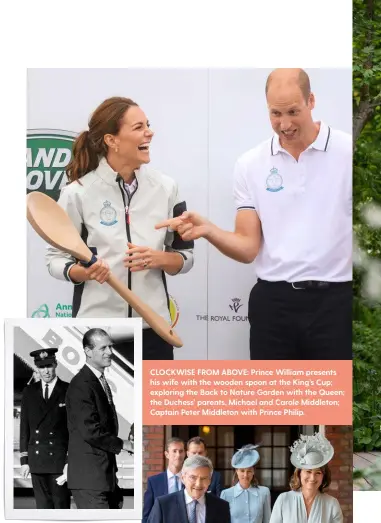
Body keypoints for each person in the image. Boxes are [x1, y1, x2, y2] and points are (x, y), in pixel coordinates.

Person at [156, 68, 352, 360]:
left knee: (329, 403)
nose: (285, 124)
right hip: (274, 304)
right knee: (273, 404)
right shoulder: (250, 164)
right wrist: (208, 229)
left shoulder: (348, 151)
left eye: (293, 111)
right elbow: (248, 248)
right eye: (275, 114)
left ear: (311, 101)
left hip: (337, 302)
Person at [45, 96, 194, 360]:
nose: (150, 132)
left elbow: (186, 257)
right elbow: (55, 260)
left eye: (147, 125)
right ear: (111, 140)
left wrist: (159, 258)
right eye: (138, 127)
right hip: (98, 333)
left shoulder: (167, 188)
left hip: (154, 329)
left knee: (155, 403)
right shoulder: (76, 193)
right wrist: (84, 272)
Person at [65, 328, 133, 509]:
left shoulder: (99, 381)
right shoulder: (81, 385)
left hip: (104, 478)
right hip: (90, 481)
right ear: (88, 351)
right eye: (103, 348)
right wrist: (124, 444)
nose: (110, 352)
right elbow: (90, 431)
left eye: (110, 347)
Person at [19, 348, 70, 509]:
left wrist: (70, 461)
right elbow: (24, 427)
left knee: (61, 507)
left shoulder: (68, 390)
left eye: (49, 366)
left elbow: (73, 429)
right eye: (41, 367)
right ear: (36, 369)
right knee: (43, 508)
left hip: (59, 462)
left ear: (56, 364)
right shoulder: (29, 392)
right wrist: (24, 461)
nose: (46, 371)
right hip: (37, 461)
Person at [269, 433, 343, 523]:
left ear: (324, 476)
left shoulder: (332, 504)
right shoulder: (283, 499)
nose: (312, 478)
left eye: (318, 473)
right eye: (308, 471)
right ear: (299, 473)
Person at [148, 455, 231, 523]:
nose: (198, 484)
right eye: (193, 477)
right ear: (183, 478)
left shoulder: (222, 507)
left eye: (204, 478)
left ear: (210, 480)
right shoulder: (163, 505)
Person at [221, 445, 271, 523]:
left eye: (249, 471)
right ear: (236, 471)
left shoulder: (264, 492)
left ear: (254, 471)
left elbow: (267, 520)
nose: (245, 475)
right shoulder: (226, 494)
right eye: (242, 471)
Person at [143, 437, 185, 523]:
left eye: (181, 451)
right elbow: (147, 514)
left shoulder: (190, 480)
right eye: (174, 451)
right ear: (166, 454)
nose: (178, 455)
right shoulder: (154, 482)